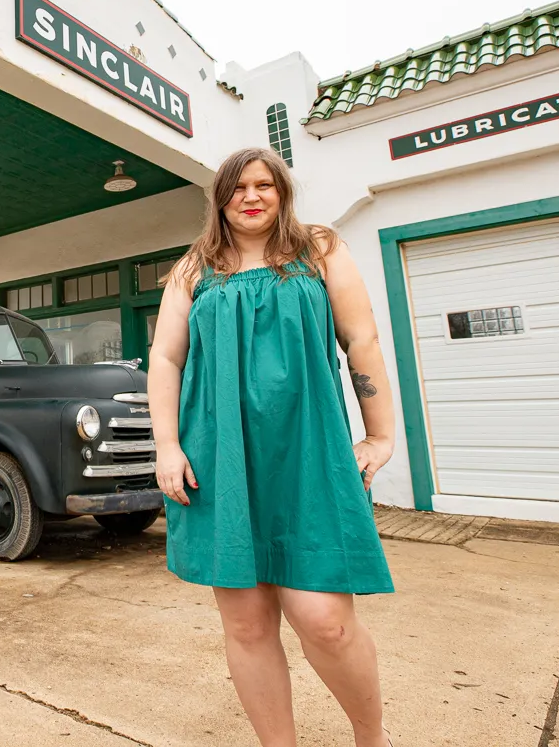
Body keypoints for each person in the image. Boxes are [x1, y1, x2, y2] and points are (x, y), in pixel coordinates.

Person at [149, 147, 397, 747]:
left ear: (282, 192)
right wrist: (167, 447)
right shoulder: (193, 269)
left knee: (326, 621)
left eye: (265, 185)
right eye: (238, 187)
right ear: (219, 199)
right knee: (248, 624)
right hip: (219, 460)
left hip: (310, 452)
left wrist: (381, 434)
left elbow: (360, 338)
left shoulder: (319, 248)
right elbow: (166, 357)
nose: (251, 196)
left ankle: (372, 737)